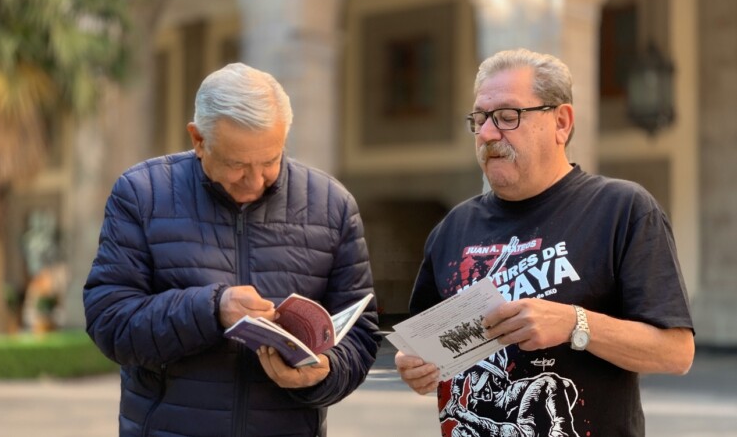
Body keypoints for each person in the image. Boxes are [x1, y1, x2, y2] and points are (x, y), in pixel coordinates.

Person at [394, 48, 694, 437]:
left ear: (561, 122)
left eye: (507, 116)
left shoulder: (622, 209)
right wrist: (415, 367)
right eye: (480, 119)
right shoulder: (452, 228)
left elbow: (676, 352)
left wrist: (574, 323)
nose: (487, 133)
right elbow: (423, 353)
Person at [84, 62, 380, 437]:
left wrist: (325, 372)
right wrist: (211, 310)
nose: (255, 181)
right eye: (237, 164)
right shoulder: (142, 195)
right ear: (198, 140)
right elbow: (109, 322)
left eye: (271, 161)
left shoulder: (331, 205)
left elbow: (361, 334)